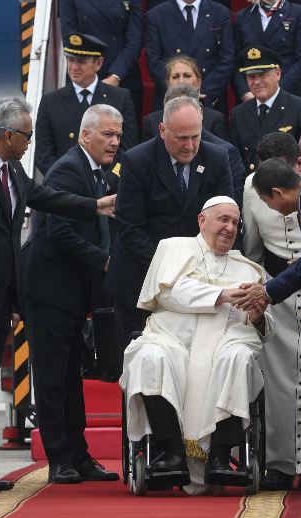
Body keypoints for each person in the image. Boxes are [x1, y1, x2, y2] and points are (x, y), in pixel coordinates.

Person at [0, 98, 114, 492]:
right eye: (26, 136)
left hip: (4, 293)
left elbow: (44, 198)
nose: (30, 143)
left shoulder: (14, 169)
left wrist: (93, 206)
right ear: (8, 135)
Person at [120, 197, 272, 494]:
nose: (230, 228)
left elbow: (266, 327)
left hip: (225, 343)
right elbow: (168, 294)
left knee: (238, 358)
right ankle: (172, 452)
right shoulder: (173, 248)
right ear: (202, 221)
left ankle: (219, 456)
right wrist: (224, 295)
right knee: (149, 357)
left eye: (235, 223)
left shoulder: (248, 270)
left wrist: (257, 316)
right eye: (223, 220)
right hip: (171, 339)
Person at [23, 104, 123, 484]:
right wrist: (106, 263)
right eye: (107, 135)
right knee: (52, 376)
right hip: (49, 289)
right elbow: (59, 233)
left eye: (118, 134)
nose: (115, 142)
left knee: (70, 376)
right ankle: (59, 458)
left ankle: (78, 455)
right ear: (85, 135)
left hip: (72, 290)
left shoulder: (97, 172)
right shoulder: (68, 169)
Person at [241, 135, 301, 491]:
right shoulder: (250, 189)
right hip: (278, 294)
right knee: (280, 383)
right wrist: (260, 290)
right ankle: (280, 463)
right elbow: (252, 246)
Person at [105, 95, 234, 351]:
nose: (189, 146)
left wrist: (194, 272)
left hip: (195, 280)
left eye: (195, 137)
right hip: (140, 279)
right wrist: (173, 268)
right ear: (163, 130)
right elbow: (130, 228)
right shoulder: (136, 161)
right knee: (138, 365)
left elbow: (223, 218)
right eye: (181, 138)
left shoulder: (217, 158)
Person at [34, 33, 137, 175]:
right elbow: (43, 154)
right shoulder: (50, 102)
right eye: (71, 60)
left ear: (99, 63)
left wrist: (106, 182)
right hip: (66, 189)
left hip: (109, 189)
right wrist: (66, 181)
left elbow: (128, 149)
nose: (74, 67)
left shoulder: (120, 98)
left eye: (81, 61)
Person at [229, 46, 301, 172]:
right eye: (251, 77)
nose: (257, 82)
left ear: (277, 74)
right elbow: (235, 159)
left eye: (262, 75)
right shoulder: (238, 113)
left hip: (287, 182)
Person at [59, 0, 143, 129]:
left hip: (123, 75)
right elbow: (70, 38)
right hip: (84, 78)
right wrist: (91, 78)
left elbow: (134, 42)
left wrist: (116, 76)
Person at [144, 0, 235, 113]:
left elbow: (227, 59)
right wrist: (178, 92)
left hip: (209, 99)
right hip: (171, 101)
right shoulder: (156, 15)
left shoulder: (221, 13)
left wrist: (201, 91)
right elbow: (154, 61)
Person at [233, 0, 301, 100]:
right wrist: (245, 92)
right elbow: (236, 62)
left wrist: (276, 92)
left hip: (286, 94)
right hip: (252, 96)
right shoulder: (243, 16)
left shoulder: (299, 12)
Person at [141, 56, 228, 140]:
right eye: (175, 77)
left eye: (187, 76)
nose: (181, 81)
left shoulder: (215, 119)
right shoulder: (152, 121)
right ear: (167, 83)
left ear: (199, 83)